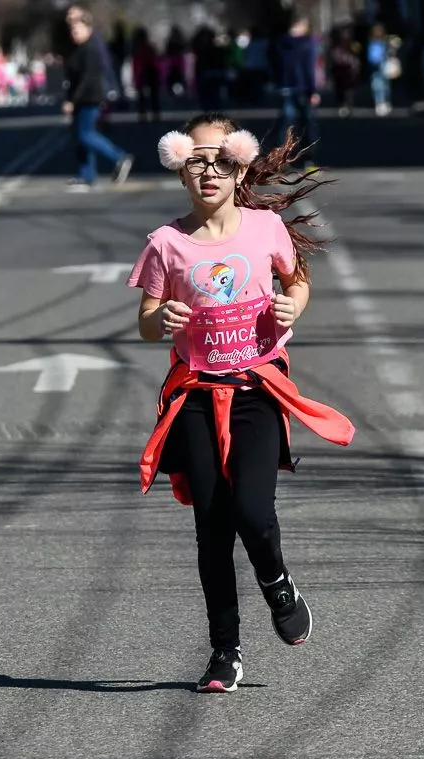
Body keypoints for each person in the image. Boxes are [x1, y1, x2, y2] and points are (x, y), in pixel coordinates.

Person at [128, 112, 356, 693]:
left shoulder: (265, 228)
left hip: (257, 391)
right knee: (213, 527)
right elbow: (147, 325)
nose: (209, 171)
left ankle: (278, 583)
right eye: (196, 162)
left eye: (220, 160)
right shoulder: (166, 244)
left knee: (253, 512)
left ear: (239, 169)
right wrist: (163, 317)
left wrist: (292, 306)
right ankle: (224, 652)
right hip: (198, 395)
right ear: (181, 172)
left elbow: (297, 281)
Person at [63, 14, 133, 192]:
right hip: (83, 99)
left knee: (85, 135)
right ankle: (87, 175)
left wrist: (73, 100)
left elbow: (86, 79)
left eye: (78, 29)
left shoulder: (91, 50)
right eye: (72, 30)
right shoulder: (77, 49)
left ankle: (119, 156)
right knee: (81, 137)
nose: (74, 33)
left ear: (89, 29)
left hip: (90, 98)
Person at [274, 14, 321, 168]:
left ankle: (281, 160)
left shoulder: (280, 43)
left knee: (286, 124)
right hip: (303, 87)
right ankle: (309, 159)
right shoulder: (307, 44)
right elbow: (309, 69)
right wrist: (313, 90)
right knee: (308, 124)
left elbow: (275, 66)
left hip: (285, 87)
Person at [366, 24, 391, 117]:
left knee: (381, 85)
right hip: (377, 65)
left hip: (380, 65)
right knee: (379, 85)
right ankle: (381, 103)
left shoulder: (380, 43)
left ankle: (382, 102)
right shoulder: (375, 43)